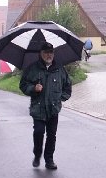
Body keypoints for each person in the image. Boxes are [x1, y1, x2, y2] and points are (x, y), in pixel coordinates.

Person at [19, 42, 72, 170]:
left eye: (51, 52)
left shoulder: (60, 69)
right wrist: (33, 88)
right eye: (46, 52)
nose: (49, 55)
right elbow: (23, 85)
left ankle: (49, 160)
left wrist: (60, 98)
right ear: (40, 54)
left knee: (51, 135)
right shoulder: (33, 68)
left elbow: (67, 86)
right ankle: (37, 155)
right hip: (38, 108)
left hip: (53, 109)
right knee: (38, 132)